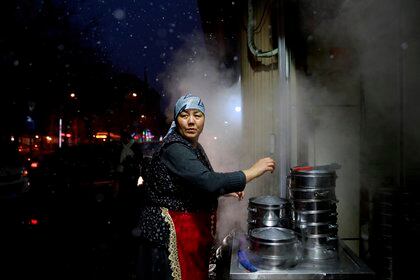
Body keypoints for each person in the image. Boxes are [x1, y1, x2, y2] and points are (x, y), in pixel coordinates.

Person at [135, 93, 275, 280]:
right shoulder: (174, 148)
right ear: (177, 120)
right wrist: (253, 171)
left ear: (204, 119)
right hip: (171, 236)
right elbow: (208, 182)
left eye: (197, 115)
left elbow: (192, 183)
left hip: (186, 235)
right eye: (185, 115)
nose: (191, 121)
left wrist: (225, 191)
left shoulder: (191, 145)